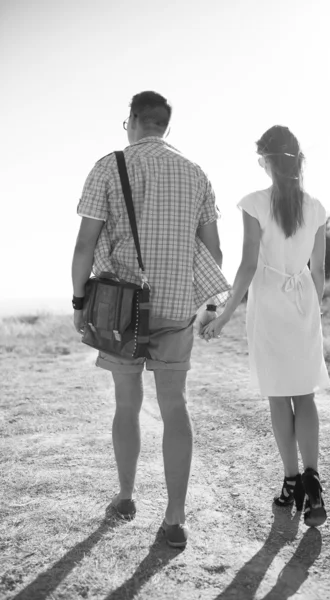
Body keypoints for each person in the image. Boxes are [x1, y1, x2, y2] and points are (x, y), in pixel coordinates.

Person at [71, 91, 230, 547]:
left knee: (127, 403)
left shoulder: (109, 166)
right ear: (165, 125)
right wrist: (204, 305)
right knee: (175, 406)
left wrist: (81, 302)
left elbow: (85, 245)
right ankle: (175, 519)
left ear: (133, 121)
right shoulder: (196, 174)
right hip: (177, 308)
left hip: (121, 310)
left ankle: (125, 498)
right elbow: (214, 252)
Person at [202, 125, 330, 527]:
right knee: (304, 395)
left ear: (267, 162)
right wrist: (311, 310)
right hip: (304, 303)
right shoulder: (317, 207)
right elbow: (320, 270)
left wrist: (223, 314)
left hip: (271, 305)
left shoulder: (255, 203)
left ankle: (292, 481)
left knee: (279, 396)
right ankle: (312, 479)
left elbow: (248, 265)